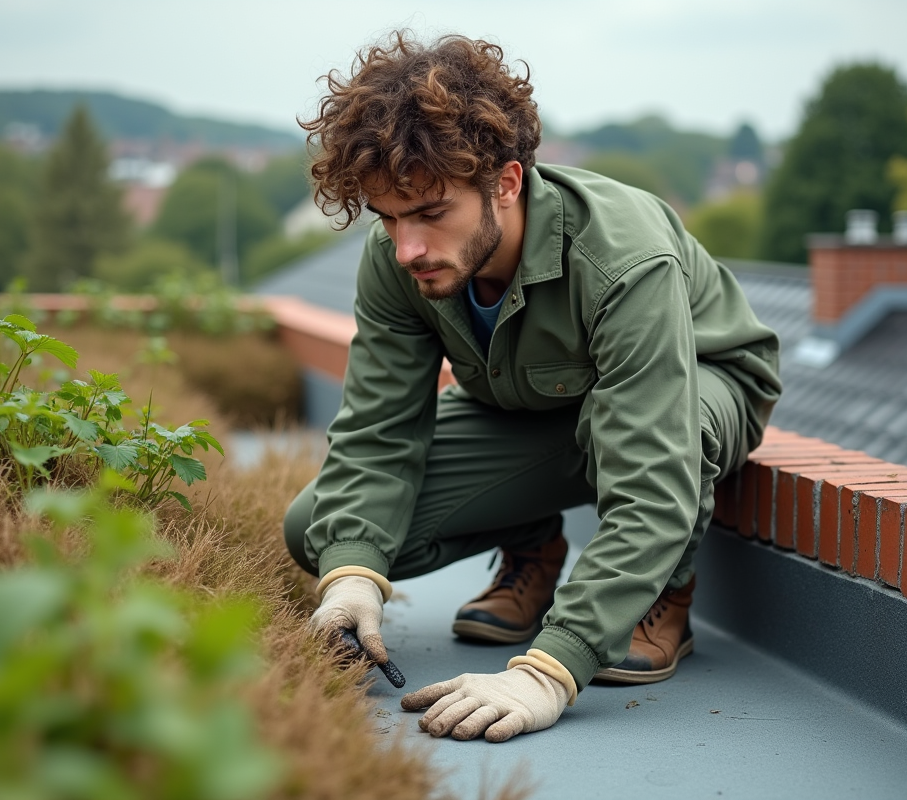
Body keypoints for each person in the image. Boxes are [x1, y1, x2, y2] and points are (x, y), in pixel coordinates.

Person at [283, 32, 781, 744]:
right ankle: (532, 543)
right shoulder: (396, 262)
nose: (407, 247)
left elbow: (653, 481)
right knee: (318, 533)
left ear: (507, 183)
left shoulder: (622, 256)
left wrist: (549, 670)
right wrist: (351, 578)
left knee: (665, 430)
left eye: (430, 212)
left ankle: (662, 591)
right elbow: (377, 434)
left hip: (696, 389)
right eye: (389, 217)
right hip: (537, 408)